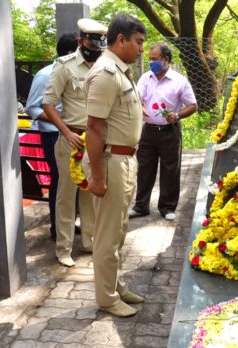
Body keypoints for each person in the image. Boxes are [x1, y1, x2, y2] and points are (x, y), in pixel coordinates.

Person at [84, 14, 146, 318]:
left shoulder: (122, 72)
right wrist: (97, 176)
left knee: (119, 231)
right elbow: (93, 129)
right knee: (108, 236)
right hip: (109, 161)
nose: (142, 49)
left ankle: (115, 285)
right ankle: (106, 298)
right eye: (138, 42)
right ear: (120, 39)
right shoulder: (107, 73)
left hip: (123, 159)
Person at [42, 19, 107, 267]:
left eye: (100, 44)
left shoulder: (103, 64)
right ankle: (63, 248)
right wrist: (66, 132)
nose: (97, 48)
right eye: (92, 43)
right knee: (66, 197)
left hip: (96, 140)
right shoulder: (65, 66)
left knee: (90, 193)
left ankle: (89, 242)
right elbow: (47, 103)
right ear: (81, 41)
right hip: (72, 139)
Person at [128, 42, 197, 221]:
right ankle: (141, 206)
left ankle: (167, 207)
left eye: (154, 59)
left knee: (170, 169)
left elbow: (192, 105)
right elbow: (138, 97)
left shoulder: (179, 81)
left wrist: (178, 115)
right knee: (144, 168)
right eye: (150, 59)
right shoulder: (145, 78)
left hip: (170, 131)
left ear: (166, 60)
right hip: (148, 131)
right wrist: (142, 107)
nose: (151, 62)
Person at [25, 33, 78, 242]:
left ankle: (69, 226)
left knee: (74, 180)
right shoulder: (46, 75)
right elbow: (32, 107)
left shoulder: (76, 74)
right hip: (54, 136)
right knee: (60, 181)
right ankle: (58, 230)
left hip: (73, 135)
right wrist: (61, 121)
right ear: (69, 53)